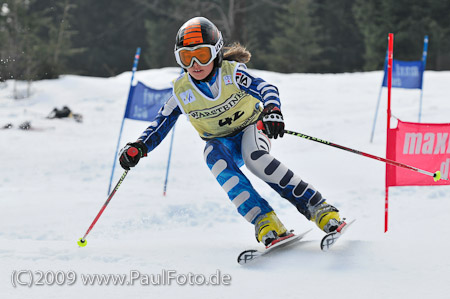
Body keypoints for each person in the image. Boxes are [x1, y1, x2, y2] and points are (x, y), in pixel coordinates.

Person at [119, 17, 344, 247]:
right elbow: (161, 122)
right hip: (221, 143)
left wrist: (272, 109)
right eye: (187, 57)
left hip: (252, 128)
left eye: (202, 55)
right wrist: (139, 146)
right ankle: (265, 221)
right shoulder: (182, 90)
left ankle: (319, 208)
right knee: (213, 157)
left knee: (255, 157)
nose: (195, 63)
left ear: (216, 52)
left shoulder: (232, 73)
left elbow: (265, 87)